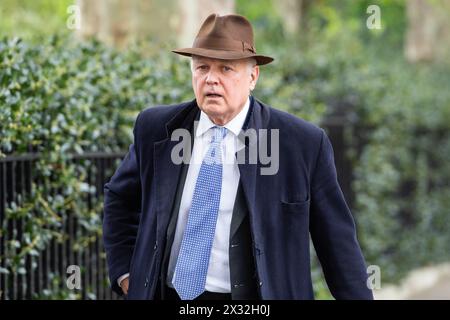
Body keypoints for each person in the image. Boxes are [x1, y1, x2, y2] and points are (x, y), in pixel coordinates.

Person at [103, 13, 373, 300]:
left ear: (252, 76)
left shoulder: (302, 143)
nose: (211, 79)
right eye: (202, 67)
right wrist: (126, 273)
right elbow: (120, 198)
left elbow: (336, 243)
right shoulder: (156, 128)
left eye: (226, 69)